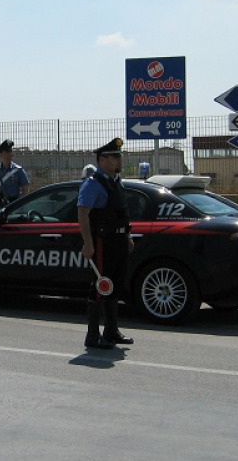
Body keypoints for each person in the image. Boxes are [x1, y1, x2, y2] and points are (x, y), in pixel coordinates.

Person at [77, 137, 135, 349]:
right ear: (102, 160)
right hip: (103, 242)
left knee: (115, 285)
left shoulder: (116, 182)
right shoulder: (93, 184)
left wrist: (127, 236)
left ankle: (111, 331)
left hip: (118, 240)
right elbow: (83, 212)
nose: (119, 160)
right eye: (114, 157)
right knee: (100, 286)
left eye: (119, 156)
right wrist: (88, 243)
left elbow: (120, 213)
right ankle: (93, 335)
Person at [0, 139, 30, 212]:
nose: (9, 154)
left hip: (13, 206)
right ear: (1, 154)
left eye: (10, 151)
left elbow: (25, 189)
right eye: (6, 152)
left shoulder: (18, 170)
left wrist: (20, 204)